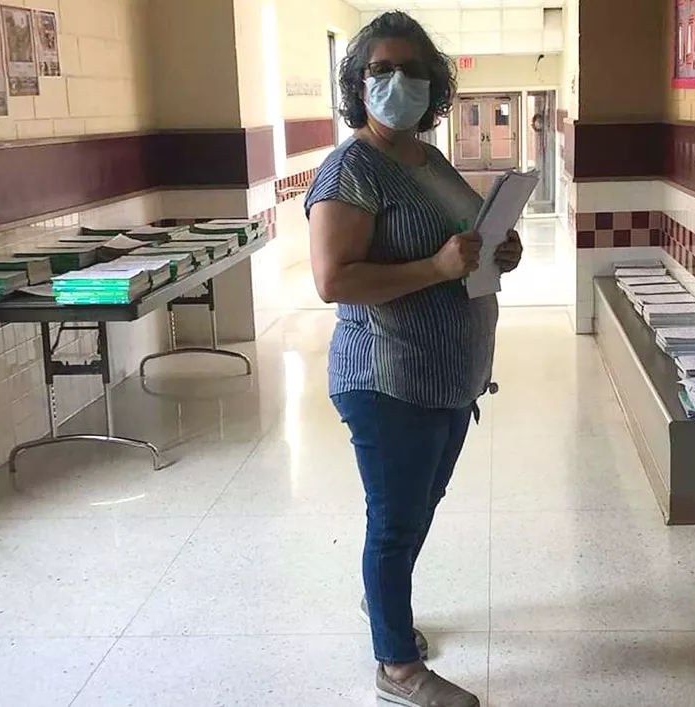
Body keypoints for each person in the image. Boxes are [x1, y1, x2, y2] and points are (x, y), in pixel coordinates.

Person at [304, 11, 522, 707]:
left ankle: (383, 599)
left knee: (417, 507)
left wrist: (495, 249)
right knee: (395, 519)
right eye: (380, 69)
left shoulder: (426, 159)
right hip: (386, 375)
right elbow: (333, 280)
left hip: (446, 376)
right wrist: (434, 266)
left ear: (435, 85)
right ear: (357, 82)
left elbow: (460, 243)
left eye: (413, 70)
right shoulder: (351, 168)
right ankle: (395, 666)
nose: (398, 82)